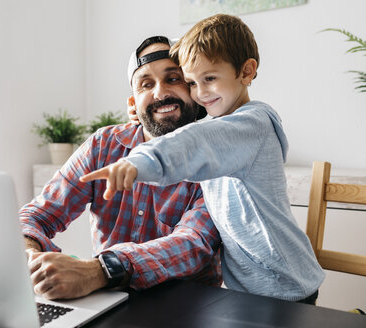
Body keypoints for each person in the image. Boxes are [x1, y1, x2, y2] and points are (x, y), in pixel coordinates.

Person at [80, 14, 325, 304]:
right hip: (247, 288)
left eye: (209, 79)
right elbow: (198, 128)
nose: (201, 93)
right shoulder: (222, 123)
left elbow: (198, 141)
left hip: (285, 286)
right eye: (192, 83)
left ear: (246, 72)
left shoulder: (253, 123)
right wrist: (148, 116)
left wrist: (137, 161)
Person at [20, 35, 222, 300]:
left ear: (195, 92)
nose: (160, 93)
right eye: (146, 84)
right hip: (108, 301)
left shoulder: (216, 156)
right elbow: (37, 215)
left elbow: (194, 242)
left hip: (189, 309)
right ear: (133, 104)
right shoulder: (104, 146)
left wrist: (99, 271)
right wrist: (30, 256)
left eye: (173, 79)